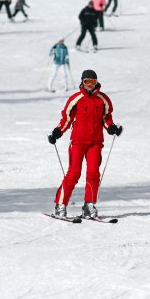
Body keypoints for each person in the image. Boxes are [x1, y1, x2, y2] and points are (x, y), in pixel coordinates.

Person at [47, 69, 123, 219]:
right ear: (82, 82)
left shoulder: (103, 99)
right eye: (87, 82)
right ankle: (60, 205)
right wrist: (58, 132)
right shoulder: (76, 98)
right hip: (78, 143)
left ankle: (89, 205)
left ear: (96, 83)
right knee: (74, 174)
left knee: (93, 174)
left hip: (95, 143)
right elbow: (67, 119)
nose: (90, 85)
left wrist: (112, 128)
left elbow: (107, 119)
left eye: (93, 82)